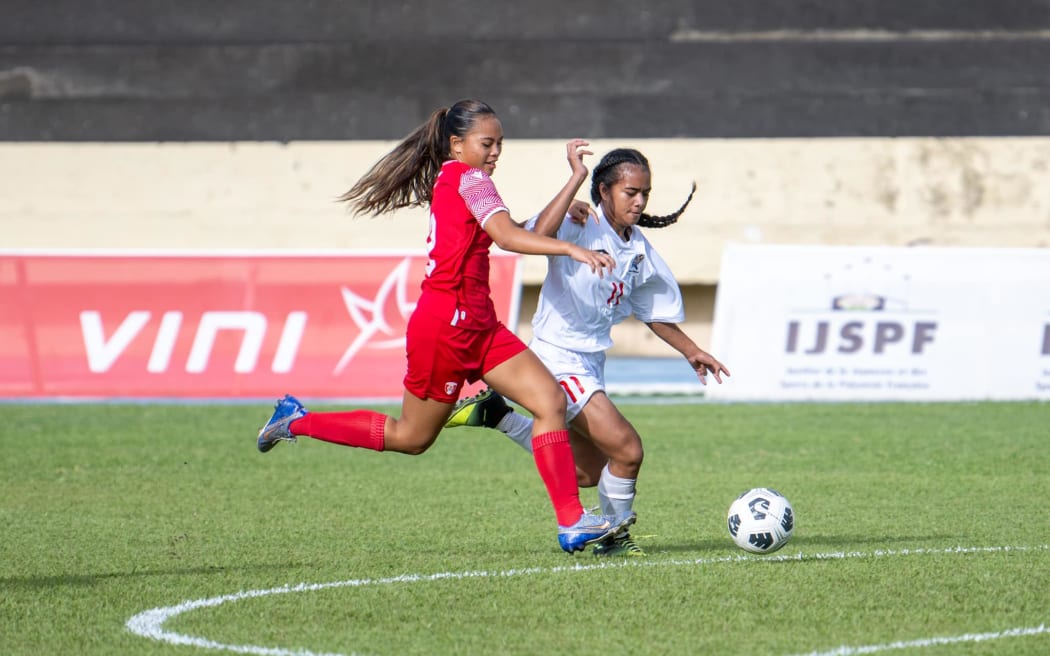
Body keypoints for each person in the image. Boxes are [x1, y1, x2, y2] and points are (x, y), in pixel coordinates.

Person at [256, 99, 635, 554]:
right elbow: (510, 238)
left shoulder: (465, 179)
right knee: (410, 438)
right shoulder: (469, 177)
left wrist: (572, 180)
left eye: (500, 144)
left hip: (479, 323)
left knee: (550, 401)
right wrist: (573, 251)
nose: (495, 152)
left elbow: (518, 228)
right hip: (445, 326)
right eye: (487, 143)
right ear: (456, 145)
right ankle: (297, 421)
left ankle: (571, 521)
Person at [444, 147, 730, 557]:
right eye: (631, 192)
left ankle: (499, 416)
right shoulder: (581, 223)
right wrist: (573, 179)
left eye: (645, 193)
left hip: (590, 363)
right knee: (628, 449)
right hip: (557, 357)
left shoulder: (638, 249)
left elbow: (652, 311)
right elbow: (533, 238)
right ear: (604, 190)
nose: (639, 201)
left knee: (589, 471)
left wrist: (691, 351)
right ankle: (614, 538)